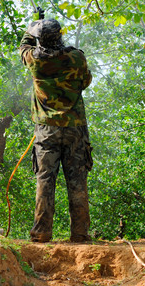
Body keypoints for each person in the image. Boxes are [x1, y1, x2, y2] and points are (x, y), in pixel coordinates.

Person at [19, 18, 93, 243]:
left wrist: (32, 26)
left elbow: (24, 46)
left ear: (40, 40)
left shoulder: (34, 62)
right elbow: (86, 81)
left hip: (46, 131)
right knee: (77, 180)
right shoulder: (77, 58)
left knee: (45, 180)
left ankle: (41, 232)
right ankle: (80, 233)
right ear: (60, 36)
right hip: (75, 129)